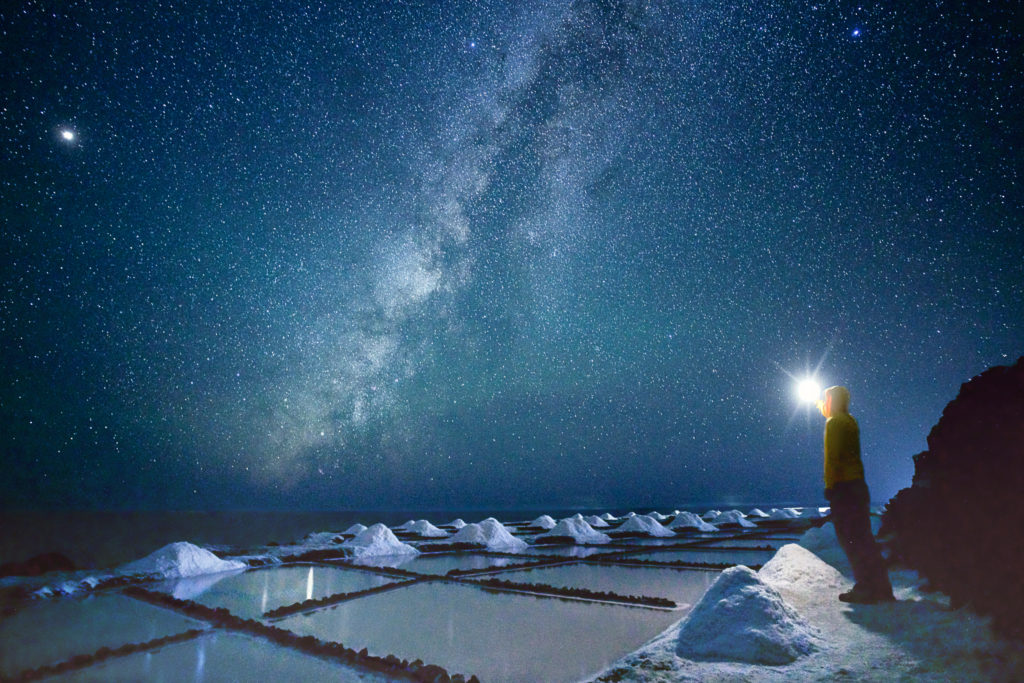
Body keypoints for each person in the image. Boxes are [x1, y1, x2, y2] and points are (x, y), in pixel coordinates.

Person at [818, 385, 894, 604]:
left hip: (844, 488)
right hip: (858, 487)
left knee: (851, 540)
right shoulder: (849, 421)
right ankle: (881, 589)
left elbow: (832, 459)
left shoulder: (834, 424)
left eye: (827, 399)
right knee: (864, 538)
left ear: (832, 400)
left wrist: (830, 486)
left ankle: (865, 589)